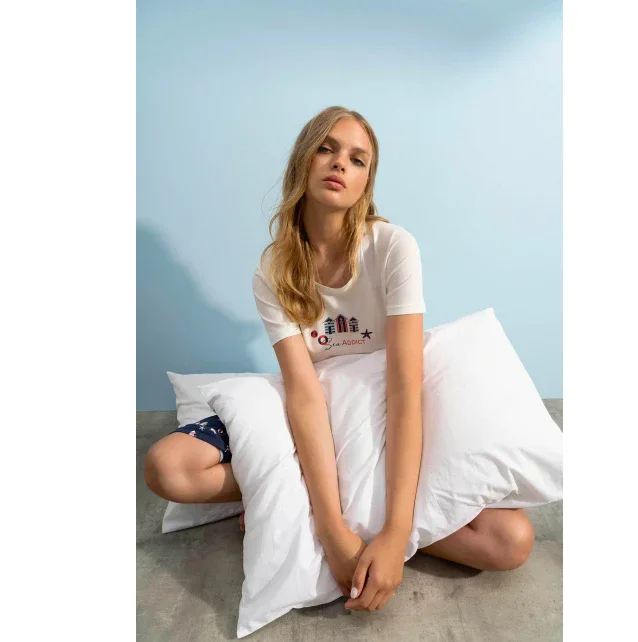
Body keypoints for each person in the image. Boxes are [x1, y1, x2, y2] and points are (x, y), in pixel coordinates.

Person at [144, 106, 534, 613]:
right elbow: (304, 393)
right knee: (167, 468)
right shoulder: (273, 268)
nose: (340, 163)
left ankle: (287, 498)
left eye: (357, 159)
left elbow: (404, 386)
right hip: (314, 408)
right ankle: (305, 498)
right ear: (303, 161)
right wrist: (330, 532)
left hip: (380, 416)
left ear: (366, 182)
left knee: (510, 541)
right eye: (326, 148)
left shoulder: (392, 247)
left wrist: (395, 534)